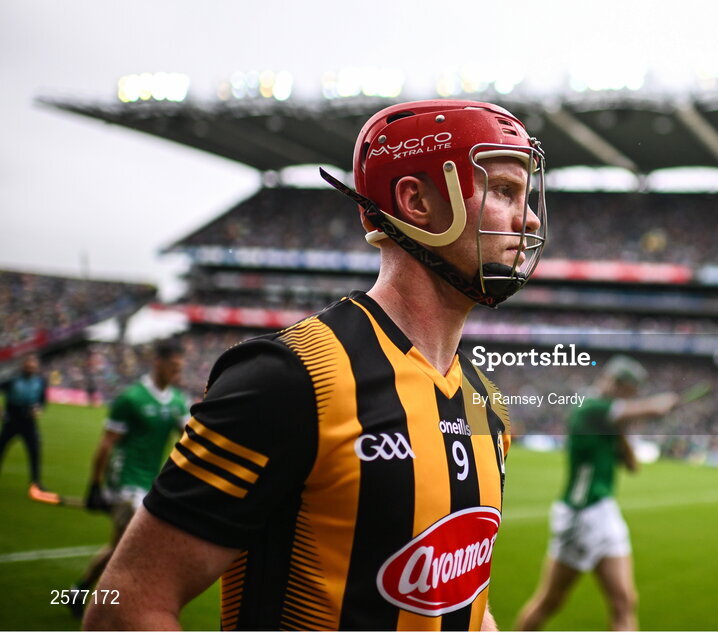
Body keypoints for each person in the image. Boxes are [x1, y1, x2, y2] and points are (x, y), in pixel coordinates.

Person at [85, 100, 547, 631]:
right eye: (506, 191)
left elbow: (464, 604)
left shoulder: (486, 406)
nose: (529, 216)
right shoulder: (288, 378)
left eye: (527, 196)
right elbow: (127, 603)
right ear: (415, 200)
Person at [516, 356, 679, 631]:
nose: (631, 398)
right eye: (630, 392)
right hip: (581, 514)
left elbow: (631, 465)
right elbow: (650, 409)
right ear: (619, 385)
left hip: (604, 511)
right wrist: (664, 402)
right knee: (550, 601)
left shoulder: (608, 419)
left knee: (625, 602)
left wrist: (621, 430)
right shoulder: (589, 406)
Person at [68, 340, 189, 618]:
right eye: (172, 366)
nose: (176, 372)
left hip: (150, 481)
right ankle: (116, 609)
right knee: (136, 548)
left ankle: (80, 590)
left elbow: (189, 440)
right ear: (158, 361)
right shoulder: (131, 398)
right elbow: (106, 444)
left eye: (179, 368)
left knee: (120, 548)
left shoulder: (176, 401)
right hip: (124, 479)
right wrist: (95, 485)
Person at [0, 354, 57, 501]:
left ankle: (35, 484)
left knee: (35, 451)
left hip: (28, 422)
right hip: (11, 420)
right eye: (28, 364)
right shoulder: (12, 379)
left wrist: (38, 409)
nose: (31, 367)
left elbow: (43, 401)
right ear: (23, 365)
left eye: (33, 365)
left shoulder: (40, 381)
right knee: (1, 448)